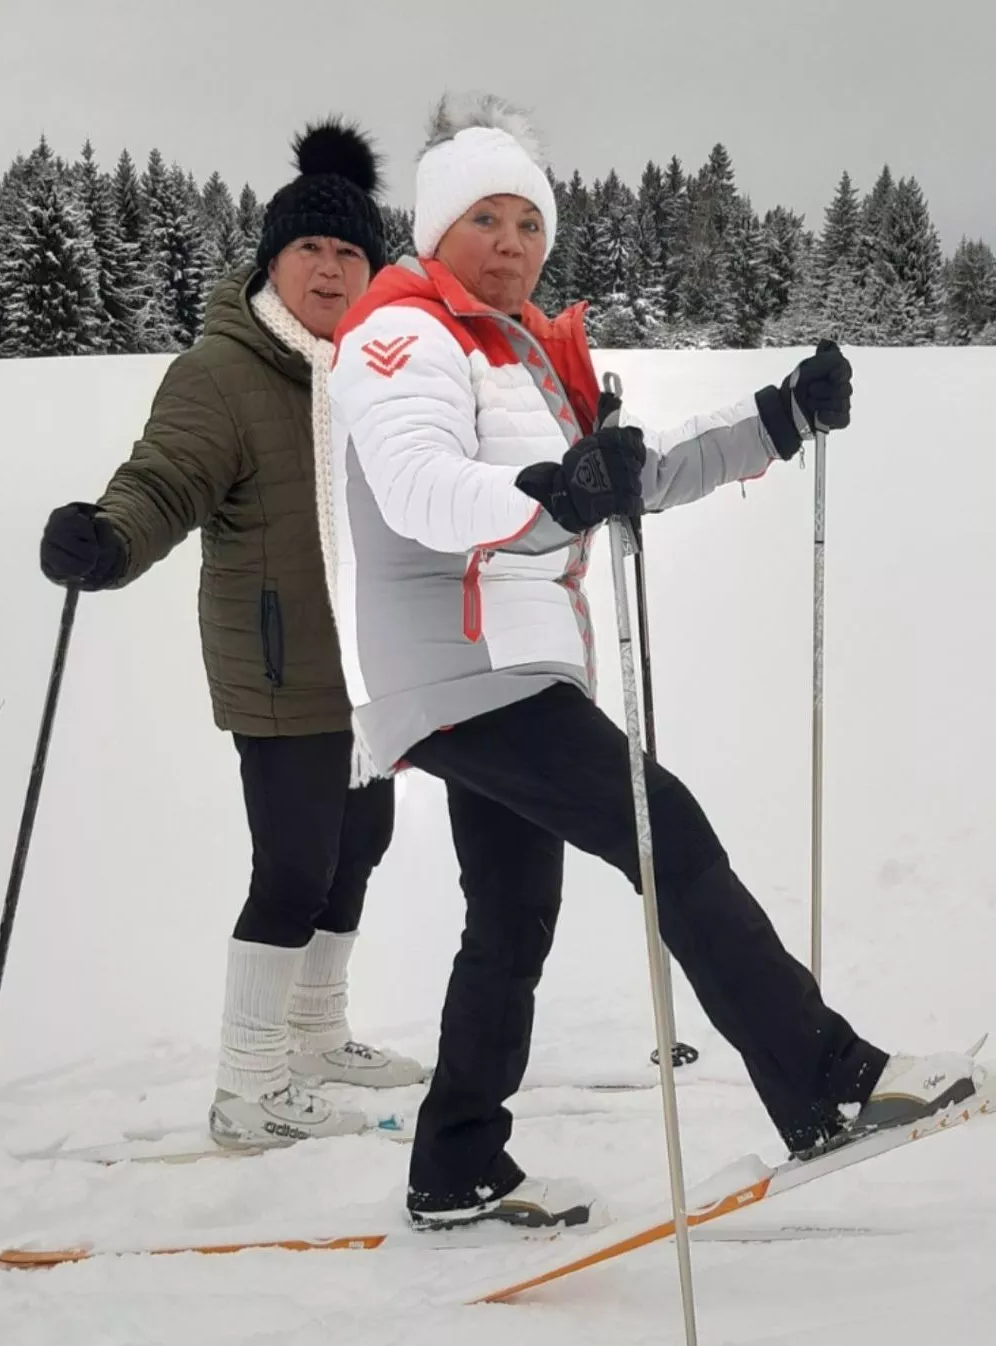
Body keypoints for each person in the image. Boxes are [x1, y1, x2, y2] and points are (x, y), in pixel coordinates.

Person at [327, 95, 980, 1230]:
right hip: (469, 667)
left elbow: (632, 472)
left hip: (506, 670)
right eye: (486, 220)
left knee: (509, 919)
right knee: (665, 832)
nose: (512, 245)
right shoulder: (406, 332)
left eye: (529, 224)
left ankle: (455, 1165)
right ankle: (825, 1082)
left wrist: (776, 419)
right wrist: (547, 493)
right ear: (436, 229)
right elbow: (420, 486)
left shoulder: (517, 350)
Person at [39, 121, 424, 1151]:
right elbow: (166, 478)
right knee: (294, 871)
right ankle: (246, 1090)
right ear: (272, 260)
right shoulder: (223, 371)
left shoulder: (379, 370)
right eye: (310, 249)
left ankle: (315, 1036)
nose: (330, 269)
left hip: (370, 669)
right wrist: (108, 539)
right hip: (280, 664)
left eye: (348, 252)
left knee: (360, 847)